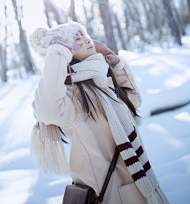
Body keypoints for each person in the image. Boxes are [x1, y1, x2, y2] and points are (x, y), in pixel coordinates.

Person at [28, 21, 170, 204]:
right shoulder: (72, 95)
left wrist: (113, 59)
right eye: (76, 38)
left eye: (84, 34)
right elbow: (45, 111)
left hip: (140, 183)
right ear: (67, 51)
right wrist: (56, 53)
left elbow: (133, 101)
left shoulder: (100, 81)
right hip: (112, 193)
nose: (86, 39)